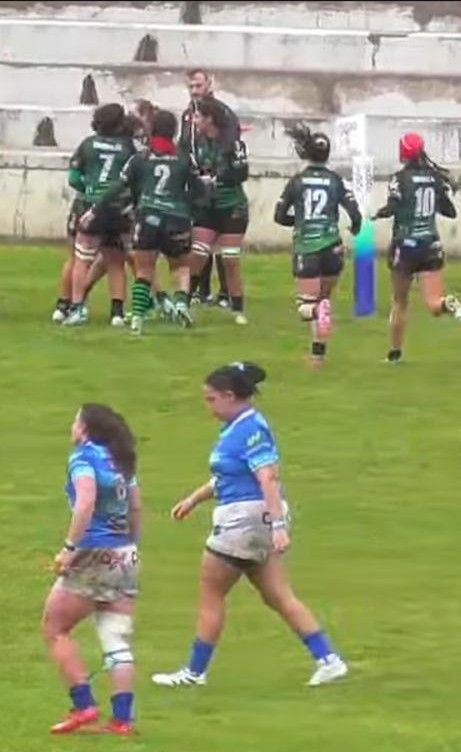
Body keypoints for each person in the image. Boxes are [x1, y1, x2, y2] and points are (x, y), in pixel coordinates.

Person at [152, 362, 349, 689]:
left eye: (211, 399)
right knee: (278, 595)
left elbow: (266, 477)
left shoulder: (250, 429)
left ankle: (194, 672)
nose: (208, 406)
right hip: (253, 520)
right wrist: (194, 499)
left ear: (230, 396)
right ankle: (328, 659)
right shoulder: (239, 428)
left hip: (243, 521)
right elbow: (229, 476)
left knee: (211, 593)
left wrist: (279, 525)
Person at [43, 403, 142, 736]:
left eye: (75, 421)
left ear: (85, 429)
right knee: (116, 638)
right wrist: (131, 545)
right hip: (125, 552)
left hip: (93, 551)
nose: (71, 427)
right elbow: (136, 506)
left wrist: (70, 549)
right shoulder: (121, 461)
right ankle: (122, 720)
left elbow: (85, 502)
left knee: (55, 627)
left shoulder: (84, 458)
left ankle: (83, 705)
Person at [86, 108, 198, 334]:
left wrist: (95, 209)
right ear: (174, 132)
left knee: (144, 268)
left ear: (151, 130)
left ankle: (137, 317)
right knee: (180, 266)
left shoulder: (140, 158)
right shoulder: (185, 158)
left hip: (147, 216)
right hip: (177, 217)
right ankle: (181, 303)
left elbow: (119, 186)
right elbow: (198, 188)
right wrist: (190, 208)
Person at [374, 131, 461, 365]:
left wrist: (378, 214)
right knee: (434, 304)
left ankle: (394, 354)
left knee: (399, 301)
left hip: (405, 245)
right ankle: (448, 303)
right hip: (430, 244)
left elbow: (393, 206)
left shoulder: (399, 178)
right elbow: (450, 211)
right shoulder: (434, 178)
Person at [273, 124, 362, 367]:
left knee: (307, 306)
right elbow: (355, 213)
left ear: (307, 152)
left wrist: (298, 220)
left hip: (307, 248)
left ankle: (315, 323)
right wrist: (354, 227)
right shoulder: (335, 180)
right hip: (333, 246)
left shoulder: (297, 181)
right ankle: (318, 356)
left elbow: (279, 216)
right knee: (324, 300)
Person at [62, 103, 137, 328]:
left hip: (91, 206)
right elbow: (133, 179)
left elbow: (74, 177)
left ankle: (76, 308)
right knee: (115, 262)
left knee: (82, 258)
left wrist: (90, 190)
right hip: (117, 209)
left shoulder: (87, 145)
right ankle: (117, 312)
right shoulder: (127, 147)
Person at [180, 98, 251, 325]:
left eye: (198, 116)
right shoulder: (195, 143)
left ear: (209, 119)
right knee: (198, 253)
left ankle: (237, 308)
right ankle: (184, 301)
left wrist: (216, 179)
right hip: (206, 206)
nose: (194, 120)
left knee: (230, 259)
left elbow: (241, 173)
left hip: (231, 206)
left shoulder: (233, 144)